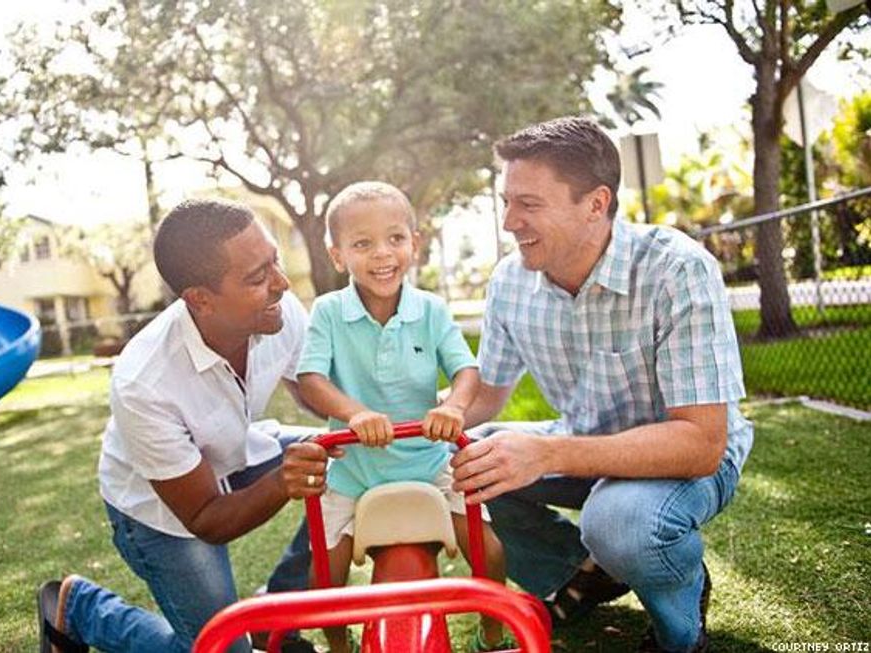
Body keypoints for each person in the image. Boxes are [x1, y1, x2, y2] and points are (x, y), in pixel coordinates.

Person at [450, 117, 753, 653]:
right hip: (581, 442)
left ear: (595, 203)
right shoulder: (510, 281)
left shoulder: (676, 270)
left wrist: (544, 453)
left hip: (684, 459)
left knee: (620, 521)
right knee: (462, 465)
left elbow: (701, 443)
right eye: (507, 202)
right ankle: (582, 573)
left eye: (529, 205)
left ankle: (677, 632)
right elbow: (484, 396)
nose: (508, 222)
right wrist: (402, 425)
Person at [36, 199, 336, 653]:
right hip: (160, 511)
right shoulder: (144, 381)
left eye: (274, 261)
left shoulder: (279, 309)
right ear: (199, 298)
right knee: (219, 649)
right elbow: (205, 518)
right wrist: (282, 482)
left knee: (343, 452)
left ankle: (276, 612)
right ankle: (81, 607)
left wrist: (370, 415)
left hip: (238, 450)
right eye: (258, 277)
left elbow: (314, 389)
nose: (281, 283)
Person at [295, 181, 508, 653]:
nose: (381, 254)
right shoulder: (328, 312)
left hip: (429, 462)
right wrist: (355, 414)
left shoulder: (430, 309)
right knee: (323, 572)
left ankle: (491, 633)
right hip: (354, 469)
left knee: (488, 550)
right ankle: (337, 639)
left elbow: (465, 369)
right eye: (362, 244)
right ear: (337, 255)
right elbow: (311, 378)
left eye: (395, 238)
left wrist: (453, 406)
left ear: (415, 242)